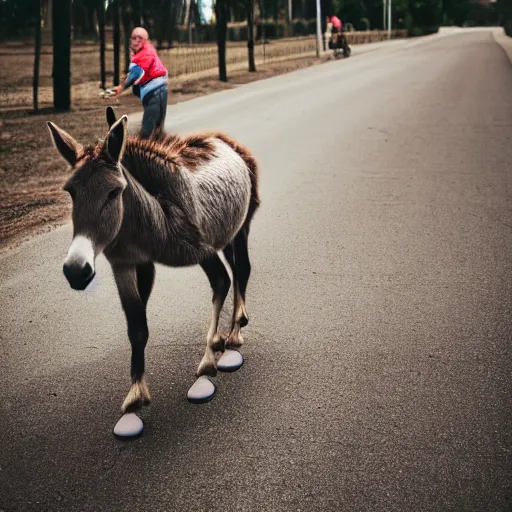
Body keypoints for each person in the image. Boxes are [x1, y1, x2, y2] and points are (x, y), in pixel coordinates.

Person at [113, 27, 169, 139]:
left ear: (146, 41)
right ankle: (159, 149)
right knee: (157, 129)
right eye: (134, 38)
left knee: (147, 131)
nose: (137, 40)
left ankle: (141, 152)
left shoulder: (143, 55)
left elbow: (135, 75)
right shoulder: (147, 51)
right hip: (160, 91)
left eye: (140, 38)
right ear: (130, 40)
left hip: (155, 94)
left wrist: (121, 87)